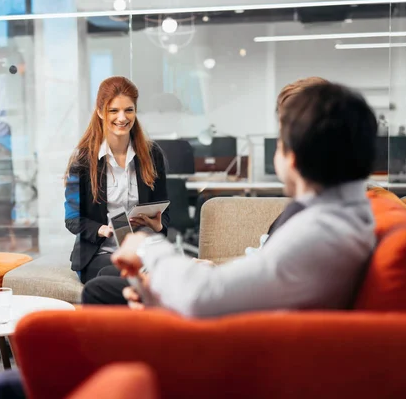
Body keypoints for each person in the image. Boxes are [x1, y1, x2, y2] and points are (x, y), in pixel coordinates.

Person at [110, 81, 378, 317]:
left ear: (291, 158)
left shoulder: (319, 232)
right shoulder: (342, 217)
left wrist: (147, 247)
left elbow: (201, 297)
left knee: (102, 291)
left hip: (239, 342)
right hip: (247, 321)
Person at [81, 76, 330, 306]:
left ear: (295, 152)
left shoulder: (313, 223)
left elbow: (239, 292)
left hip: (231, 309)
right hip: (233, 291)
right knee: (108, 280)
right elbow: (263, 269)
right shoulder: (315, 211)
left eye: (283, 136)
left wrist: (148, 249)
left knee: (99, 289)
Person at [64, 76, 170, 284]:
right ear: (100, 112)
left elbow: (165, 215)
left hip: (142, 250)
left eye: (128, 110)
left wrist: (157, 225)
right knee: (127, 275)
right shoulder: (85, 160)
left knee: (152, 271)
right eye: (114, 110)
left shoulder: (152, 154)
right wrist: (102, 229)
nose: (122, 118)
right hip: (99, 254)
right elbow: (72, 218)